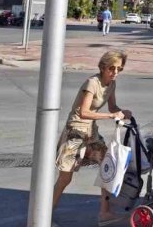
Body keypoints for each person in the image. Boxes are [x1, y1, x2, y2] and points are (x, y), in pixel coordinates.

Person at [53, 50, 132, 226]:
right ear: (103, 67)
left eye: (119, 69)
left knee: (107, 166)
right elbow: (84, 112)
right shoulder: (92, 83)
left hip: (91, 131)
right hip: (75, 131)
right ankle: (45, 213)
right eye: (112, 68)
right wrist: (111, 117)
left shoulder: (112, 84)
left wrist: (123, 112)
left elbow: (112, 107)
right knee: (65, 177)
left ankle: (104, 213)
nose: (115, 72)